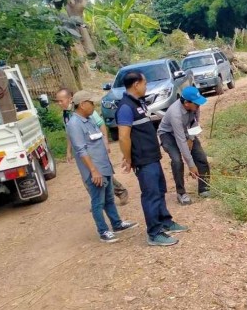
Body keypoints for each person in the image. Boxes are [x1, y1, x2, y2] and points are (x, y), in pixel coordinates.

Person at [116, 71, 189, 246]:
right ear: (136, 84)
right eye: (145, 83)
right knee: (150, 195)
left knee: (160, 190)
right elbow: (123, 137)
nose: (146, 86)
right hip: (143, 159)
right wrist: (128, 158)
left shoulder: (138, 103)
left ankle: (165, 221)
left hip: (152, 156)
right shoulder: (126, 107)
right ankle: (154, 233)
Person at [65, 90, 137, 243]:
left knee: (109, 197)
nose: (94, 105)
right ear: (82, 104)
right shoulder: (74, 124)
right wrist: (93, 171)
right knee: (98, 202)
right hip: (95, 171)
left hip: (104, 167)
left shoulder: (89, 119)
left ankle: (117, 223)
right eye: (91, 103)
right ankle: (103, 231)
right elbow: (81, 150)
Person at [55, 87, 129, 205]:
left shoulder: (85, 109)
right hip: (81, 149)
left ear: (70, 99)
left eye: (61, 100)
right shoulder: (66, 114)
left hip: (92, 148)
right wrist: (68, 150)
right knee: (88, 177)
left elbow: (100, 124)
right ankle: (98, 200)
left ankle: (119, 191)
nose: (59, 103)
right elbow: (70, 133)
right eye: (57, 101)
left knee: (99, 174)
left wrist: (105, 141)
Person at [157, 86, 211, 205]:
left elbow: (195, 123)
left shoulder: (195, 106)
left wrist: (191, 139)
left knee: (201, 157)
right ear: (186, 103)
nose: (198, 106)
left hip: (186, 131)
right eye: (196, 104)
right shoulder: (175, 114)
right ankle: (181, 193)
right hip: (168, 134)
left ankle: (204, 189)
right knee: (177, 160)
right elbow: (181, 140)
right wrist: (191, 165)